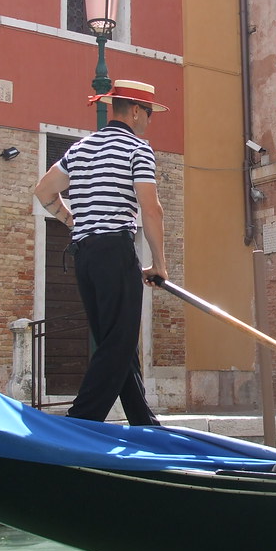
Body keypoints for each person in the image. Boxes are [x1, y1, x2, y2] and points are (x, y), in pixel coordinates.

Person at [34, 79, 168, 427]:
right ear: (137, 112)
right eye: (149, 114)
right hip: (113, 249)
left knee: (115, 339)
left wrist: (72, 220)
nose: (149, 122)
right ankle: (80, 420)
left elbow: (44, 191)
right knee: (119, 342)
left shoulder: (79, 148)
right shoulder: (138, 149)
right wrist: (159, 264)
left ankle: (142, 420)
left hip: (84, 254)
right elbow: (151, 210)